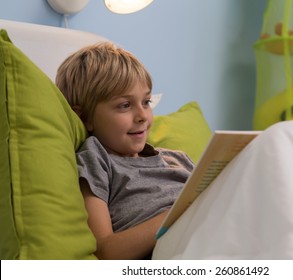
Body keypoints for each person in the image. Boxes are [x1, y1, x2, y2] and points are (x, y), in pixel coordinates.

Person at [56, 42, 195, 260]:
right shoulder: (98, 159)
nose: (142, 116)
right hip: (179, 249)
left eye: (146, 102)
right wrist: (182, 214)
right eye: (125, 105)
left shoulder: (178, 159)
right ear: (84, 118)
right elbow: (106, 251)